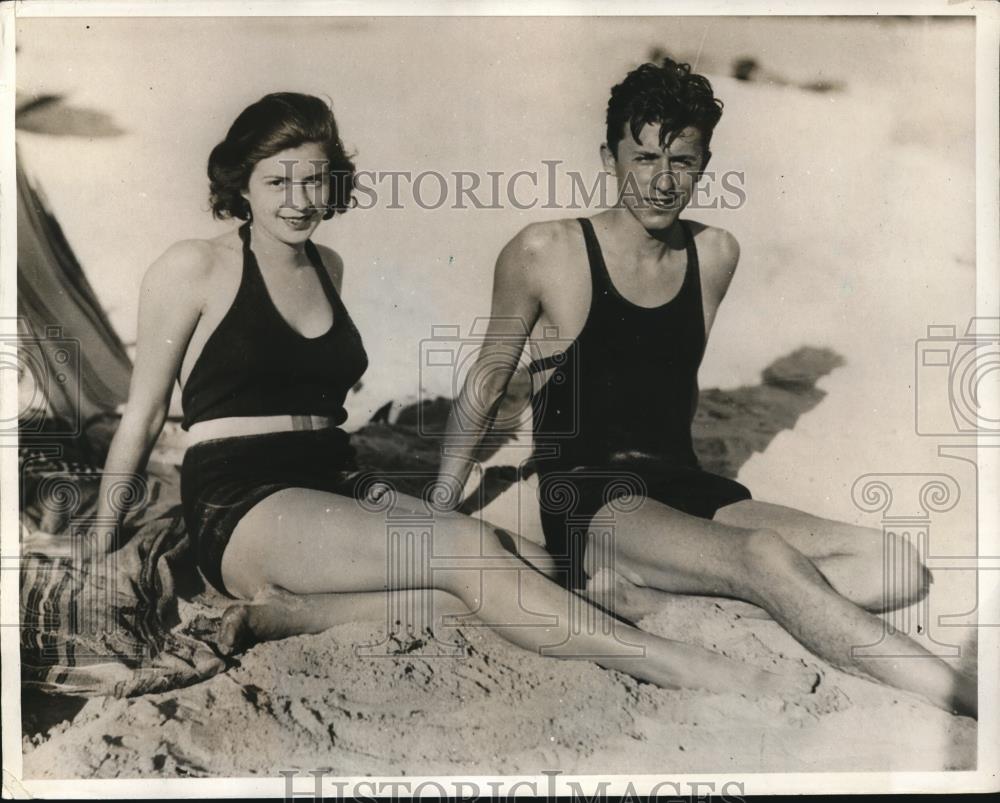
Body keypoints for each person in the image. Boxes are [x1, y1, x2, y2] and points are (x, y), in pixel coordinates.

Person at [92, 92, 813, 700]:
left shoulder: (329, 265)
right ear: (241, 181)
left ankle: (283, 616)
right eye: (278, 181)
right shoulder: (194, 266)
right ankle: (676, 663)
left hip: (330, 476)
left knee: (527, 563)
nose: (299, 200)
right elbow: (145, 416)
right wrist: (100, 542)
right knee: (470, 554)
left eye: (314, 180)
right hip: (241, 499)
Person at [433, 60, 976, 718]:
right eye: (644, 157)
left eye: (683, 161)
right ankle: (965, 695)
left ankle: (657, 600)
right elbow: (487, 382)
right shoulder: (547, 250)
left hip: (686, 486)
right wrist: (438, 505)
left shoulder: (715, 254)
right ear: (609, 156)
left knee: (893, 565)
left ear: (705, 162)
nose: (663, 182)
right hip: (593, 497)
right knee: (765, 557)